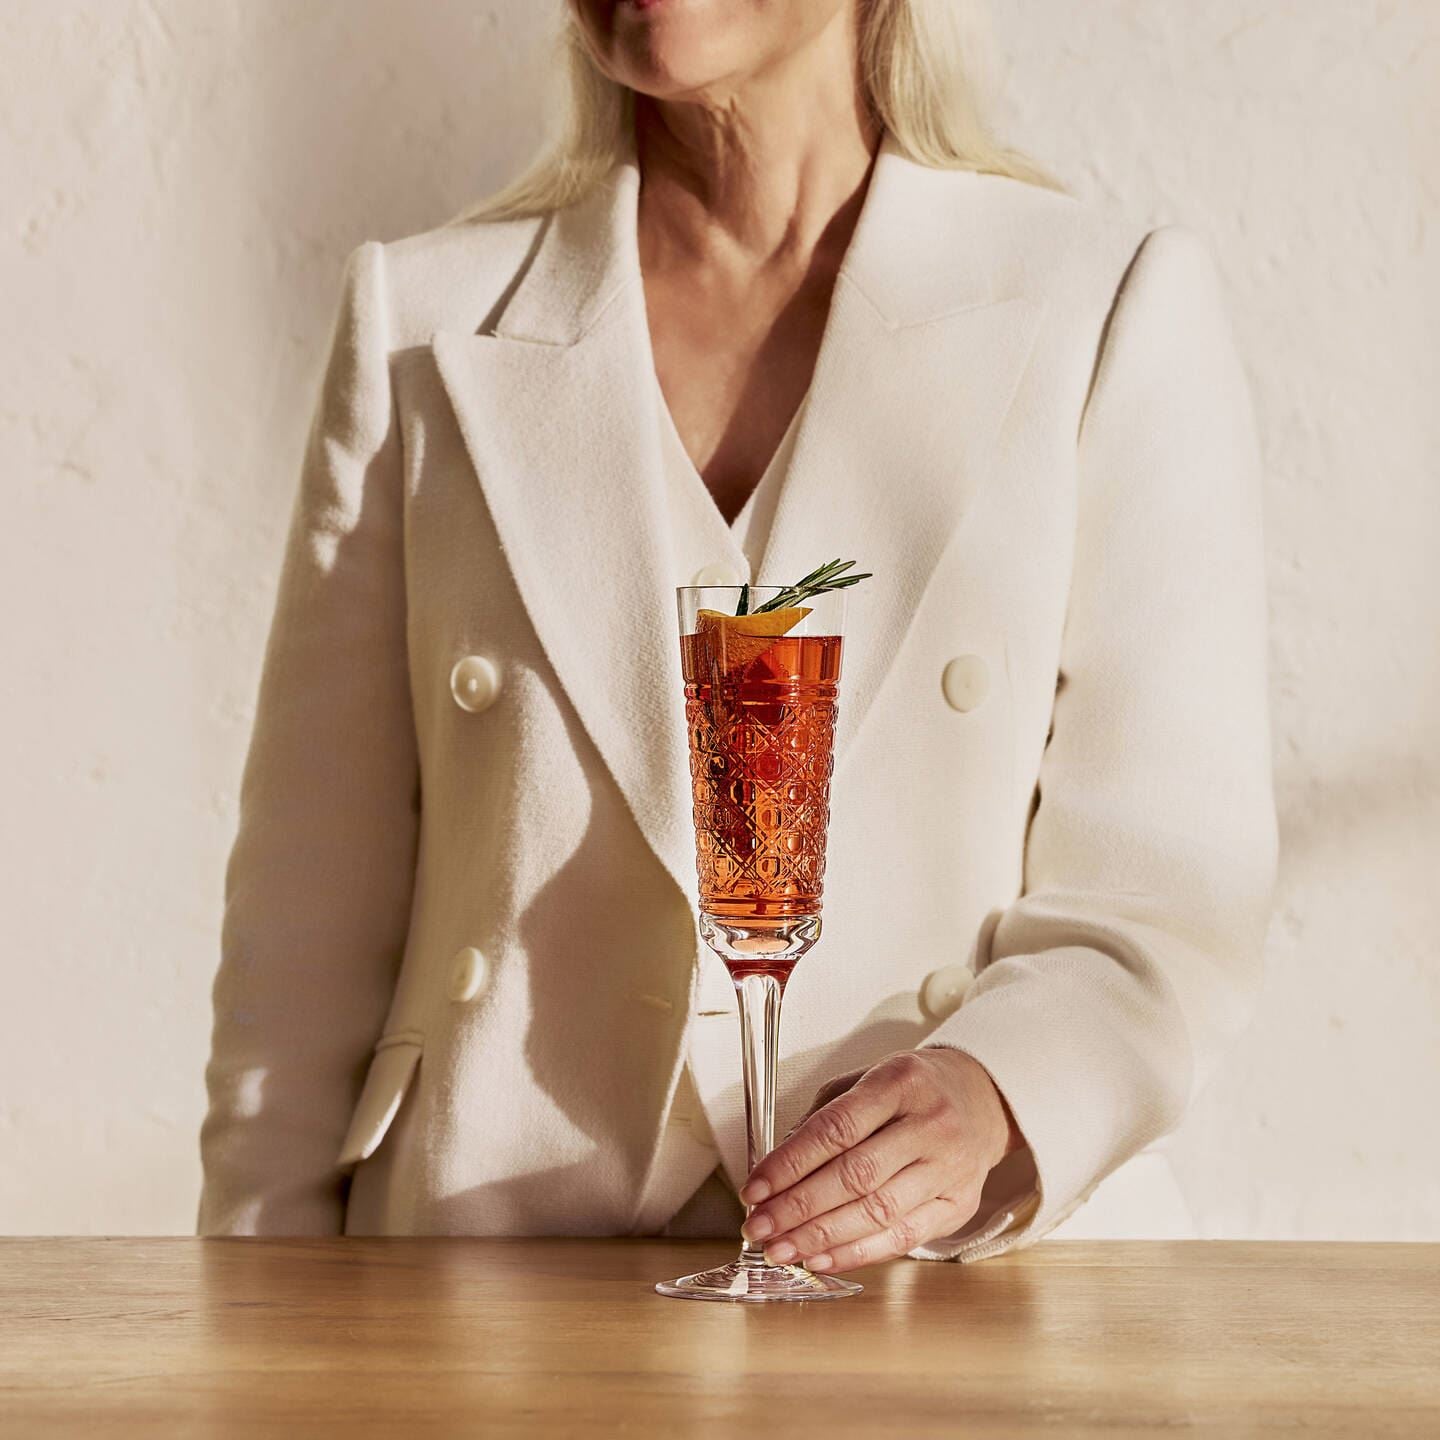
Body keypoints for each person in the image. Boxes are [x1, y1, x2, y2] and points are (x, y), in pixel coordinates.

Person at [198, 0, 1277, 1273]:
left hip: (953, 1302)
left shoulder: (1098, 308)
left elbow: (1167, 892)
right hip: (487, 1303)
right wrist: (253, 1318)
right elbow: (299, 943)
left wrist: (995, 1094)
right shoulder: (424, 321)